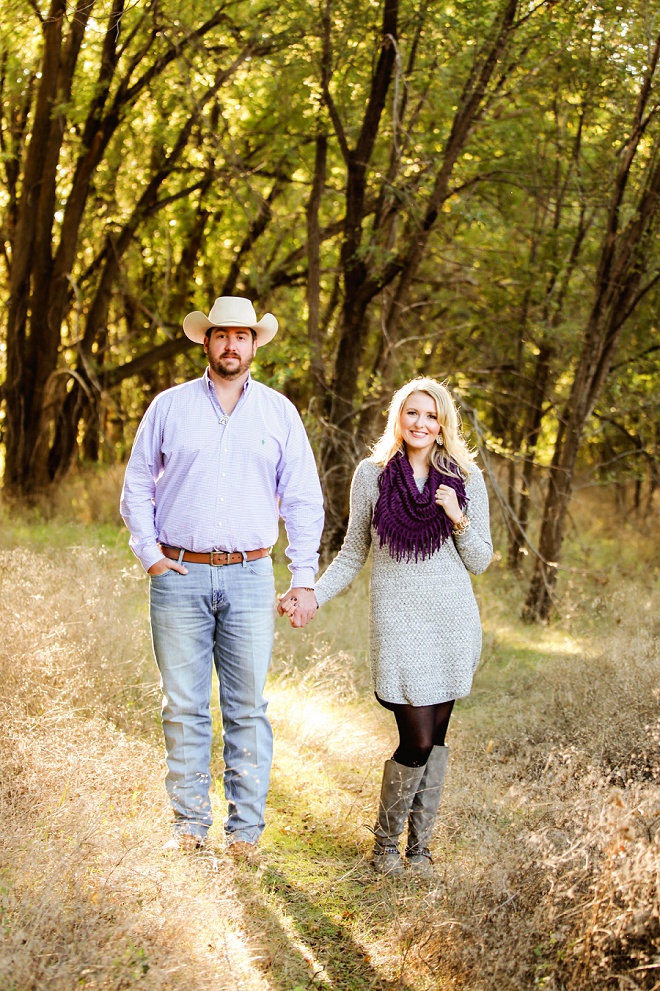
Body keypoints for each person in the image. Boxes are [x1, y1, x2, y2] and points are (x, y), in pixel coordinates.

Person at [120, 295, 323, 860]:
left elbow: (303, 499)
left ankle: (244, 834)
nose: (231, 345)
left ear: (254, 344)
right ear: (206, 341)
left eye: (242, 336)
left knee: (247, 708)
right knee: (183, 706)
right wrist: (150, 555)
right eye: (222, 335)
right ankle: (189, 826)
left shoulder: (279, 412)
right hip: (179, 573)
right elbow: (137, 484)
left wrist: (303, 577)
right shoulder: (169, 406)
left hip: (251, 574)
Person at [308, 377, 492, 876]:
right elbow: (352, 553)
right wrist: (314, 594)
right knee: (417, 740)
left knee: (437, 738)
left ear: (443, 424)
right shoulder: (372, 476)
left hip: (451, 621)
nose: (421, 423)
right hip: (398, 624)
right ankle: (386, 844)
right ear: (398, 417)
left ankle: (419, 848)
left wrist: (457, 516)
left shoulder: (465, 478)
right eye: (412, 412)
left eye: (431, 415)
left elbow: (480, 560)